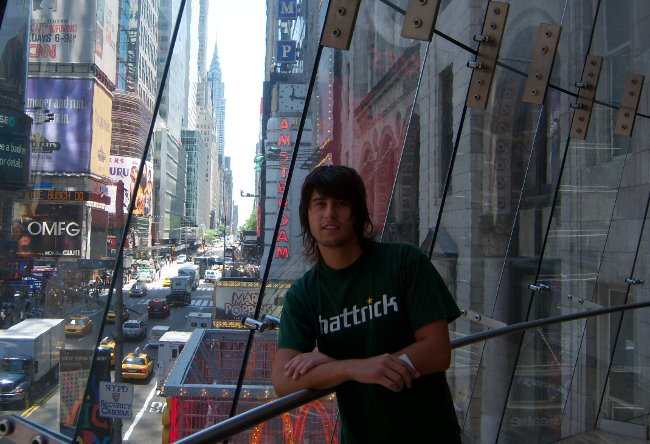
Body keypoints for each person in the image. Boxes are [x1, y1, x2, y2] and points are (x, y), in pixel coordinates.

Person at [272, 165, 462, 443]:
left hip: (432, 434)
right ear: (307, 216)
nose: (329, 213)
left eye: (340, 204)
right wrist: (350, 367)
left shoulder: (404, 262)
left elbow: (437, 351)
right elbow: (283, 381)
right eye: (320, 204)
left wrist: (342, 365)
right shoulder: (303, 295)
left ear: (357, 212)